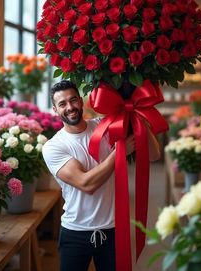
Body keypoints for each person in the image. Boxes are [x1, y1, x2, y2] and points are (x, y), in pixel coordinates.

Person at [42, 80, 135, 271]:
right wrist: (119, 153)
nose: (70, 107)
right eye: (62, 104)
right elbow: (87, 184)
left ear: (81, 101)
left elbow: (154, 154)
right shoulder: (53, 146)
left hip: (112, 229)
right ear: (54, 109)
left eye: (73, 100)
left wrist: (136, 111)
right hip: (75, 232)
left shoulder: (104, 127)